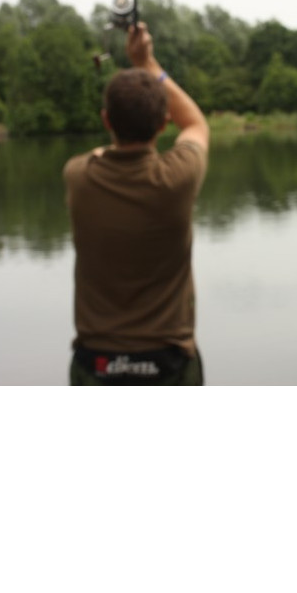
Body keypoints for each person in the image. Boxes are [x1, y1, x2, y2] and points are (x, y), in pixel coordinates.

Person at [63, 22, 210, 385]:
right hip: (169, 363)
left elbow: (98, 154)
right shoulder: (178, 176)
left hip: (96, 363)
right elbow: (195, 124)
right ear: (163, 124)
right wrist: (147, 62)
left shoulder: (79, 175)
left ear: (106, 120)